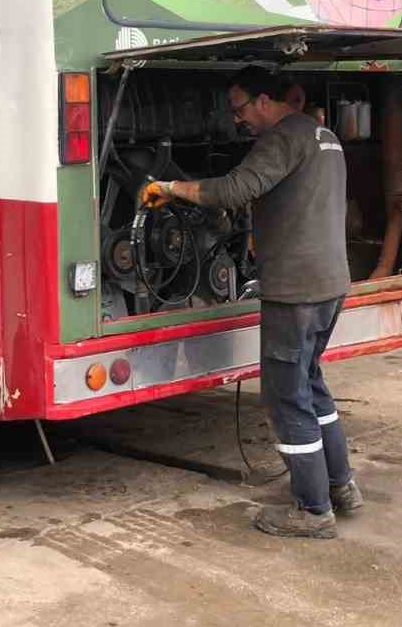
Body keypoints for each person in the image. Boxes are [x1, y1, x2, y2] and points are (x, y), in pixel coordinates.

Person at [140, 67, 360, 539]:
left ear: (264, 100)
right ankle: (341, 485)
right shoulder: (323, 136)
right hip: (330, 282)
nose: (238, 119)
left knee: (286, 395)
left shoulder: (282, 138)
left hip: (295, 289)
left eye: (240, 108)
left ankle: (313, 510)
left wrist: (170, 188)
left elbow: (235, 189)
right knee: (310, 382)